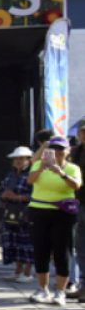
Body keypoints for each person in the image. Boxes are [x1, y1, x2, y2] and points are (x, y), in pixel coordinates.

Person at [26, 137, 81, 306]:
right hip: (39, 210)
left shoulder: (73, 168)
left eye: (61, 149)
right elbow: (30, 180)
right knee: (41, 250)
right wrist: (42, 168)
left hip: (63, 213)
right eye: (54, 149)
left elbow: (76, 186)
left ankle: (61, 291)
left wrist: (61, 173)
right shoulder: (38, 165)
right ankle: (43, 289)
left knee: (62, 251)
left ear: (68, 151)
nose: (57, 152)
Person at [0, 147, 34, 283]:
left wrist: (18, 197)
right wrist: (4, 195)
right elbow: (3, 191)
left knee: (27, 242)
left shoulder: (32, 175)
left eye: (22, 158)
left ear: (29, 160)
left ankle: (27, 273)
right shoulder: (10, 176)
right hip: (11, 212)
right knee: (13, 242)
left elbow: (35, 195)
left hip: (27, 213)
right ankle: (17, 270)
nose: (18, 161)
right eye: (16, 159)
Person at [71, 121, 85, 300]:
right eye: (82, 131)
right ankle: (82, 284)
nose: (83, 134)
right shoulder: (75, 151)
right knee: (80, 247)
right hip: (78, 203)